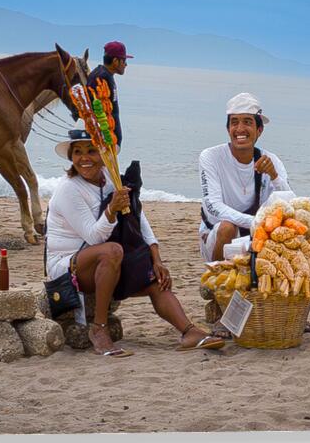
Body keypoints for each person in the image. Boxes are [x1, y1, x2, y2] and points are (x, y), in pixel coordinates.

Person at [45, 129, 225, 356]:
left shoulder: (110, 178)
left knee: (154, 279)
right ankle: (99, 328)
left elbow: (138, 218)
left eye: (91, 151)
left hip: (105, 260)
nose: (84, 158)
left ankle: (188, 331)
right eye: (78, 152)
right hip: (67, 266)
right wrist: (111, 209)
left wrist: (156, 258)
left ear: (104, 155)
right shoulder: (68, 189)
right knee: (112, 251)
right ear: (71, 157)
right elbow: (93, 236)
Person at [198, 93, 291, 262]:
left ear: (259, 130)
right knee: (227, 227)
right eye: (234, 122)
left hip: (257, 235)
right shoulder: (211, 157)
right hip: (218, 234)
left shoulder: (271, 160)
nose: (240, 129)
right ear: (228, 129)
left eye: (247, 122)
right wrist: (256, 222)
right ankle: (215, 281)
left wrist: (275, 177)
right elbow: (212, 207)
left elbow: (290, 205)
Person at [85, 41, 132, 146]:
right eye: (124, 61)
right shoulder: (100, 78)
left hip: (110, 141)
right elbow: (98, 111)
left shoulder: (106, 75)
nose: (126, 65)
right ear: (115, 61)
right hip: (104, 142)